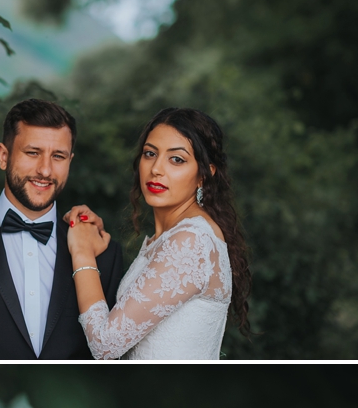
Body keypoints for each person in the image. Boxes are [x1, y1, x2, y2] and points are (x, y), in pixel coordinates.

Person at [0, 98, 125, 359]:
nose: (45, 170)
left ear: (70, 161)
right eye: (32, 152)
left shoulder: (105, 254)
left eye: (58, 156)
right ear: (4, 156)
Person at [67, 108, 252, 359]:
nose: (156, 169)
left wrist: (82, 252)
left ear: (203, 176)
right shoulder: (172, 237)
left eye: (177, 159)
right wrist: (98, 248)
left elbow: (105, 344)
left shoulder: (191, 241)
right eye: (150, 154)